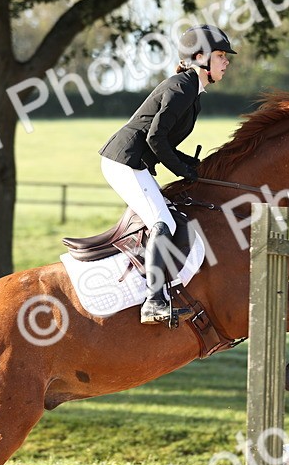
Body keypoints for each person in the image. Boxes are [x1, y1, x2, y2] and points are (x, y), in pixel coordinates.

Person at [98, 24, 236, 324]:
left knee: (168, 217)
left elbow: (165, 143)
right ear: (200, 57)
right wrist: (182, 170)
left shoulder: (192, 91)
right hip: (125, 161)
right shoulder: (182, 87)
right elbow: (155, 139)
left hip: (134, 161)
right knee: (162, 221)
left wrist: (194, 166)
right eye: (221, 56)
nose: (226, 62)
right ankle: (153, 301)